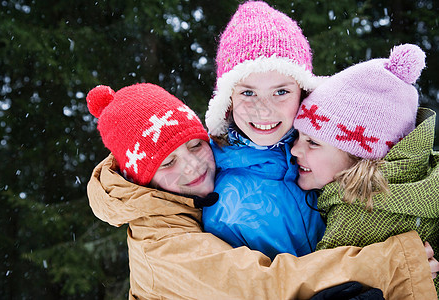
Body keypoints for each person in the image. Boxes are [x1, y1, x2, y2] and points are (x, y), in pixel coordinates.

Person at [86, 83, 438, 299]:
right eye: (167, 163)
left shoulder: (192, 195)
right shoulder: (160, 245)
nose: (192, 167)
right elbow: (262, 287)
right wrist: (393, 264)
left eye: (195, 146)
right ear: (141, 177)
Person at [291, 43, 439, 295]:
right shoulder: (423, 178)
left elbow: (317, 289)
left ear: (359, 156)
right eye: (298, 136)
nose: (294, 150)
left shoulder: (356, 219)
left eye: (312, 142)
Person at [202, 0, 324, 260]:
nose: (264, 110)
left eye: (281, 91)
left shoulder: (334, 150)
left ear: (303, 92)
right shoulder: (218, 192)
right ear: (228, 99)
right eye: (248, 92)